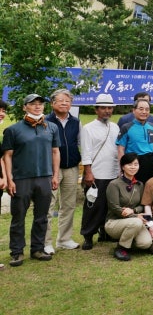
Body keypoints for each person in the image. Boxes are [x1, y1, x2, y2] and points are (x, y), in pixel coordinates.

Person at [3, 94, 61, 266]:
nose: (37, 107)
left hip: (44, 177)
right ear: (24, 107)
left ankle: (37, 249)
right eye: (33, 104)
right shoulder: (13, 130)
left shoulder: (51, 127)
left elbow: (55, 152)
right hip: (21, 179)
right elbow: (7, 156)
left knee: (42, 216)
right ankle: (17, 252)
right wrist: (10, 179)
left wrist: (55, 175)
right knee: (18, 217)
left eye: (40, 104)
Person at [80, 93, 120, 250]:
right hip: (96, 174)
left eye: (110, 108)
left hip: (113, 173)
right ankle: (88, 235)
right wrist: (88, 172)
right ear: (96, 109)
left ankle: (106, 232)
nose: (107, 111)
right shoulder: (88, 128)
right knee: (93, 206)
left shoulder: (115, 127)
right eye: (103, 108)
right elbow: (86, 152)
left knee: (110, 206)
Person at [45, 88, 83, 253]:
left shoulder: (76, 122)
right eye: (60, 101)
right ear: (53, 103)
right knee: (48, 205)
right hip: (51, 168)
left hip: (72, 167)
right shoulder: (45, 121)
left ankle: (64, 239)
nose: (64, 103)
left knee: (68, 205)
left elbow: (80, 142)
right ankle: (45, 242)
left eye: (67, 101)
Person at [104, 154, 153, 261]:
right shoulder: (114, 184)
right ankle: (121, 249)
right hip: (114, 222)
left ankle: (128, 242)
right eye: (129, 164)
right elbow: (114, 208)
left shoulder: (140, 185)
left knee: (146, 243)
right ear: (122, 166)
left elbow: (142, 205)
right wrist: (136, 216)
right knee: (136, 222)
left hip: (133, 221)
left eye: (136, 164)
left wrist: (134, 210)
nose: (133, 167)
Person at [117, 99, 153, 183]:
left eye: (147, 109)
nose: (144, 112)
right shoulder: (126, 127)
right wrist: (122, 167)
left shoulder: (152, 126)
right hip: (134, 163)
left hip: (151, 163)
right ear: (134, 110)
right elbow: (121, 149)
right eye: (141, 109)